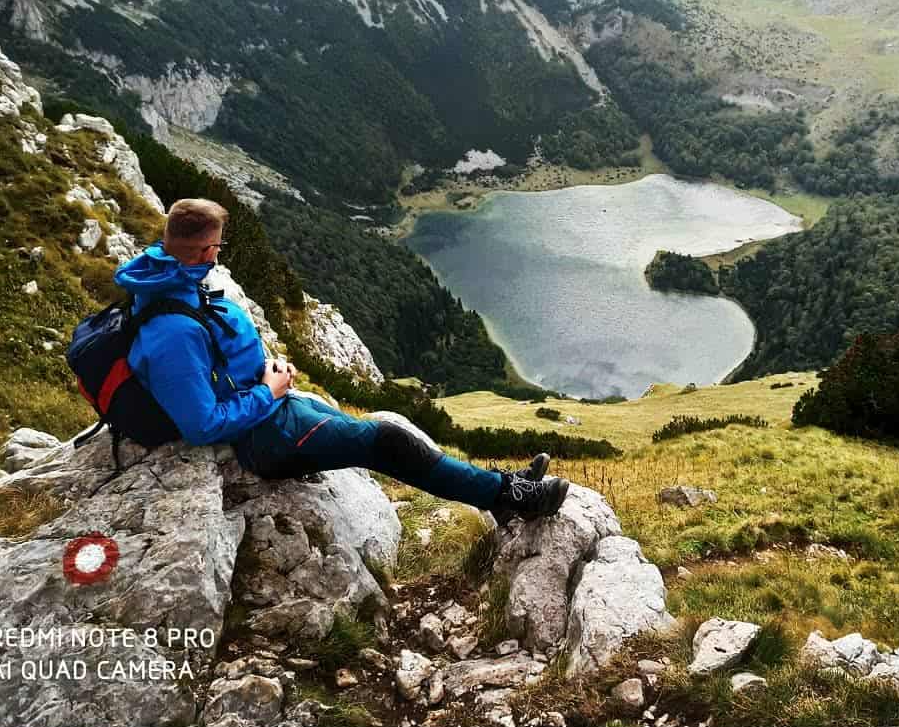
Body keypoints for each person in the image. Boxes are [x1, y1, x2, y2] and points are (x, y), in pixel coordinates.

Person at [112, 197, 570, 518]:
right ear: (202, 250)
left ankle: (500, 484)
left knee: (385, 437)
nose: (218, 255)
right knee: (388, 441)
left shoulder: (171, 276)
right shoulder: (170, 332)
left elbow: (218, 358)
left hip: (271, 406)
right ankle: (512, 499)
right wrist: (266, 391)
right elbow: (201, 424)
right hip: (260, 439)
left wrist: (269, 375)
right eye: (217, 247)